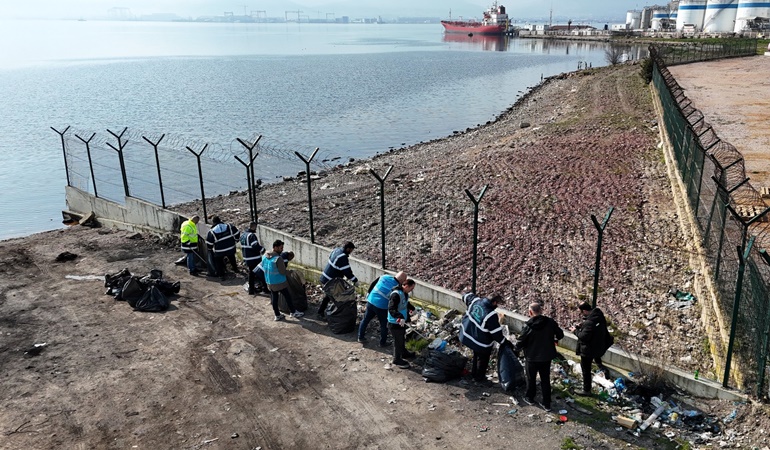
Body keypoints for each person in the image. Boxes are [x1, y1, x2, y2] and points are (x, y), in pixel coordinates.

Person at [514, 302, 564, 412]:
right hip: (546, 356)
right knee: (545, 379)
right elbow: (560, 334)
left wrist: (516, 349)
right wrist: (553, 339)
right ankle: (547, 403)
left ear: (530, 312)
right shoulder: (550, 322)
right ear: (540, 311)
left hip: (532, 357)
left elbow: (521, 341)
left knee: (531, 378)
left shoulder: (528, 326)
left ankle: (530, 397)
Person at [458, 292, 505, 384]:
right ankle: (479, 378)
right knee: (483, 359)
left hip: (466, 334)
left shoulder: (475, 301)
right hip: (480, 342)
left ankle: (474, 373)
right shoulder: (491, 315)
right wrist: (505, 342)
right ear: (494, 303)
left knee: (476, 354)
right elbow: (496, 334)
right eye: (497, 304)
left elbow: (466, 296)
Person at [572, 302, 613, 396]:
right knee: (596, 362)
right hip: (598, 347)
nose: (581, 314)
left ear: (585, 311)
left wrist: (575, 331)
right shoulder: (599, 317)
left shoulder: (590, 322)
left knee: (586, 369)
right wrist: (583, 326)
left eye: (581, 312)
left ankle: (586, 390)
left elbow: (583, 336)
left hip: (588, 350)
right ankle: (603, 370)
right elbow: (593, 329)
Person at [358, 271, 407, 346]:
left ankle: (360, 337)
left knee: (365, 319)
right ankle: (382, 342)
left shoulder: (385, 277)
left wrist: (368, 293)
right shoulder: (398, 288)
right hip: (382, 306)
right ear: (402, 281)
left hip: (371, 301)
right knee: (384, 325)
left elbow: (373, 283)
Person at [262, 240, 304, 321]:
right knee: (287, 296)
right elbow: (283, 271)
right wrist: (291, 272)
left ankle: (277, 315)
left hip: (269, 281)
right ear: (275, 247)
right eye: (281, 248)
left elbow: (264, 267)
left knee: (274, 298)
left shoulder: (265, 256)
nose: (282, 249)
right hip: (279, 282)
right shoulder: (278, 259)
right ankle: (293, 312)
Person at [317, 241, 358, 319]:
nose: (351, 252)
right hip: (330, 280)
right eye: (351, 250)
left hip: (326, 277)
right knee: (335, 297)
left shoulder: (337, 250)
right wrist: (354, 280)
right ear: (348, 249)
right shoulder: (342, 257)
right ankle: (327, 313)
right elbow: (347, 271)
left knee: (329, 296)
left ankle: (326, 312)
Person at [387, 278, 416, 369]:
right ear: (406, 286)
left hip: (401, 321)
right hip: (395, 322)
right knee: (398, 341)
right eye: (411, 288)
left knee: (402, 338)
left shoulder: (404, 293)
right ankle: (397, 359)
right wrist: (399, 317)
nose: (412, 290)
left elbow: (405, 303)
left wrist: (412, 308)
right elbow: (391, 308)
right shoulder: (396, 295)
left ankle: (403, 353)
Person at [205, 216, 239, 281]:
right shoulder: (229, 226)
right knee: (232, 257)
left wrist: (210, 250)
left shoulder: (212, 231)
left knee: (219, 262)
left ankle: (221, 275)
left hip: (219, 251)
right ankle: (235, 269)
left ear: (213, 222)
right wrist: (236, 240)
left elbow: (209, 244)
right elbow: (237, 233)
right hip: (231, 248)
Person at [240, 222, 263, 295]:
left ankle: (251, 290)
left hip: (247, 258)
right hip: (254, 258)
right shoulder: (251, 236)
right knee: (260, 272)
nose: (255, 229)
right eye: (255, 228)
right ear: (253, 227)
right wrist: (263, 250)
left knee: (251, 274)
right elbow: (255, 246)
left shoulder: (243, 235)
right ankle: (264, 288)